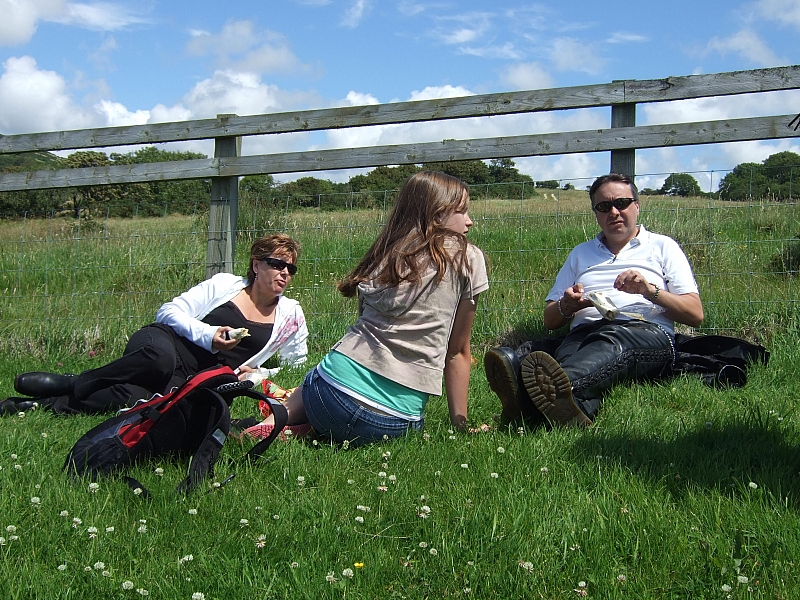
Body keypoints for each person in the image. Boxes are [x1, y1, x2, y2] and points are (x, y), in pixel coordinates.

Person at [246, 171, 489, 447]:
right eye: (462, 211)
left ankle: (279, 419)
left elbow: (363, 322)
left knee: (318, 378)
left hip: (329, 394)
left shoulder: (386, 253)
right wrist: (460, 424)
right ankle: (302, 430)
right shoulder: (468, 258)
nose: (469, 220)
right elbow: (458, 352)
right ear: (436, 215)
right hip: (393, 421)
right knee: (369, 422)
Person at [485, 173, 704, 427]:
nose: (614, 212)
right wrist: (566, 306)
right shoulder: (581, 253)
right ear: (596, 213)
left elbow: (695, 314)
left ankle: (529, 399)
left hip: (643, 331)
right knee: (573, 348)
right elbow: (550, 319)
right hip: (583, 332)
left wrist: (648, 291)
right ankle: (572, 411)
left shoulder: (662, 246)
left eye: (621, 203)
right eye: (603, 207)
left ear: (637, 206)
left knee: (611, 341)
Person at [3, 234, 308, 415]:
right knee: (159, 361)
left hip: (194, 376)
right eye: (277, 264)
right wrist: (208, 335)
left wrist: (258, 373)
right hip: (163, 343)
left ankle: (37, 406)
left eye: (290, 268)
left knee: (143, 399)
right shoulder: (225, 285)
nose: (285, 273)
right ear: (257, 265)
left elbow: (297, 366)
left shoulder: (291, 314)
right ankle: (74, 381)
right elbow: (169, 311)